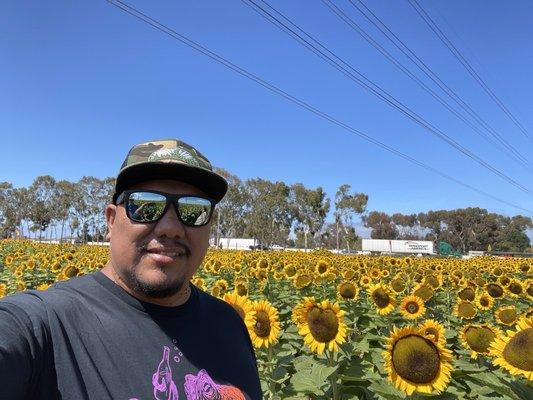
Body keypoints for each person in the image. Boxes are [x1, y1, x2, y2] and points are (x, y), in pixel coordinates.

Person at [0, 139, 262, 400]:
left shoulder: (230, 324)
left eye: (194, 210)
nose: (170, 227)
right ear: (111, 221)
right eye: (145, 206)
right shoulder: (45, 326)